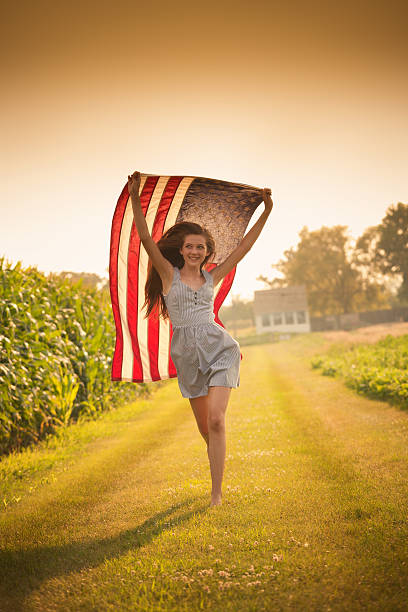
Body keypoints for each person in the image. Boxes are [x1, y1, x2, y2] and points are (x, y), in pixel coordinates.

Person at [128, 170, 273, 507]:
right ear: (182, 249)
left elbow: (244, 248)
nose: (194, 251)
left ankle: (216, 495)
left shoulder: (212, 276)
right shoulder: (168, 274)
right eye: (190, 246)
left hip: (220, 349)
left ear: (207, 252)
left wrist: (266, 210)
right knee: (207, 430)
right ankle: (218, 465)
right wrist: (135, 195)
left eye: (201, 247)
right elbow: (146, 238)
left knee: (217, 419)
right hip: (188, 356)